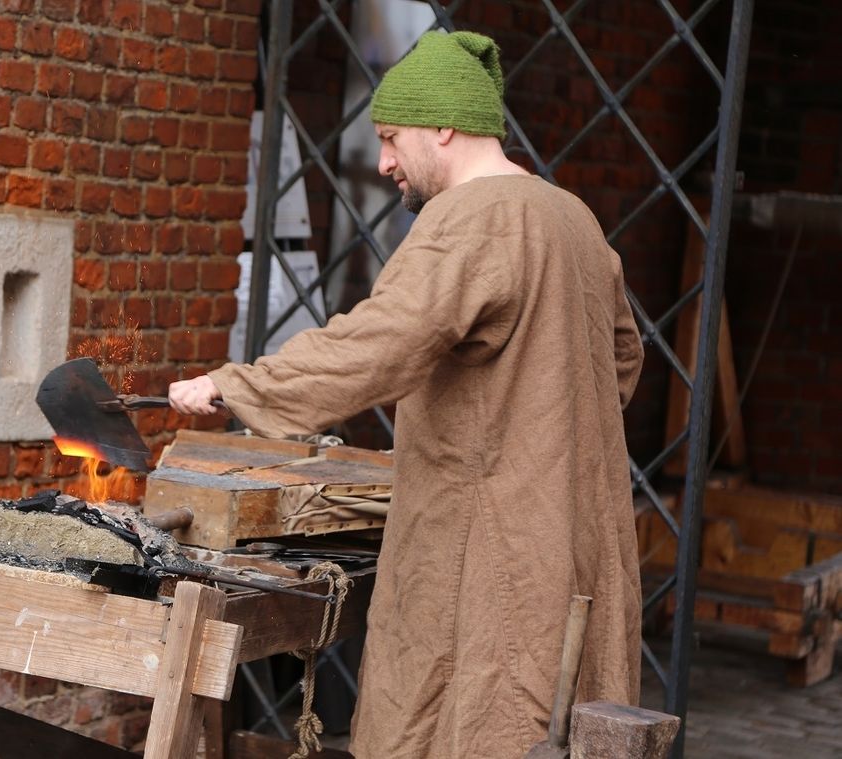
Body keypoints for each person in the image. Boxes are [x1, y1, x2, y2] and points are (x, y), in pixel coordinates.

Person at [169, 30, 644, 758]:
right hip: (574, 548)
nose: (384, 160)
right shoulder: (572, 218)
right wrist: (541, 425)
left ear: (445, 126)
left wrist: (236, 385)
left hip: (490, 560)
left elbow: (380, 342)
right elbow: (621, 358)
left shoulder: (471, 220)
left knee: (475, 724)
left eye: (392, 137)